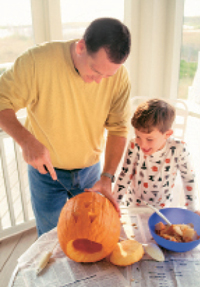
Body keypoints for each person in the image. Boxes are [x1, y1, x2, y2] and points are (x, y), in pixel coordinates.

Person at [0, 18, 131, 236]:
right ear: (81, 47)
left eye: (108, 76)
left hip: (91, 173)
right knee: (51, 240)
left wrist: (107, 177)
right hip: (46, 174)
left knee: (91, 236)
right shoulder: (36, 61)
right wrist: (26, 140)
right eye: (95, 71)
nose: (100, 81)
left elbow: (118, 128)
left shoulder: (120, 78)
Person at [113, 98, 200, 215]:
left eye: (149, 139)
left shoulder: (179, 149)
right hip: (133, 207)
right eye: (138, 136)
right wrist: (114, 203)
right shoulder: (134, 145)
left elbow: (189, 178)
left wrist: (192, 208)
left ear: (167, 134)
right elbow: (125, 175)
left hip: (162, 209)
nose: (143, 144)